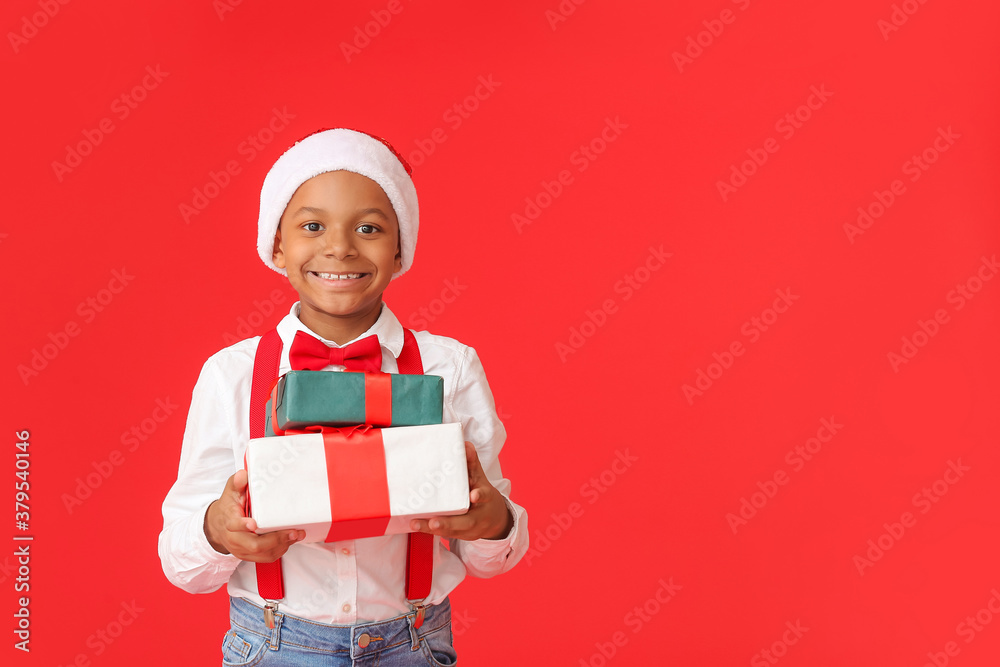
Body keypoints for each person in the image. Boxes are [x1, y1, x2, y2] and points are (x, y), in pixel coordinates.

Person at [158, 127, 529, 665]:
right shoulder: (231, 375)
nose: (339, 246)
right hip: (273, 646)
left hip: (415, 645)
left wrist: (494, 523)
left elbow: (492, 557)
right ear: (278, 244)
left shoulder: (451, 367)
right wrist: (218, 531)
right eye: (313, 225)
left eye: (369, 228)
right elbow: (181, 565)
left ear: (401, 246)